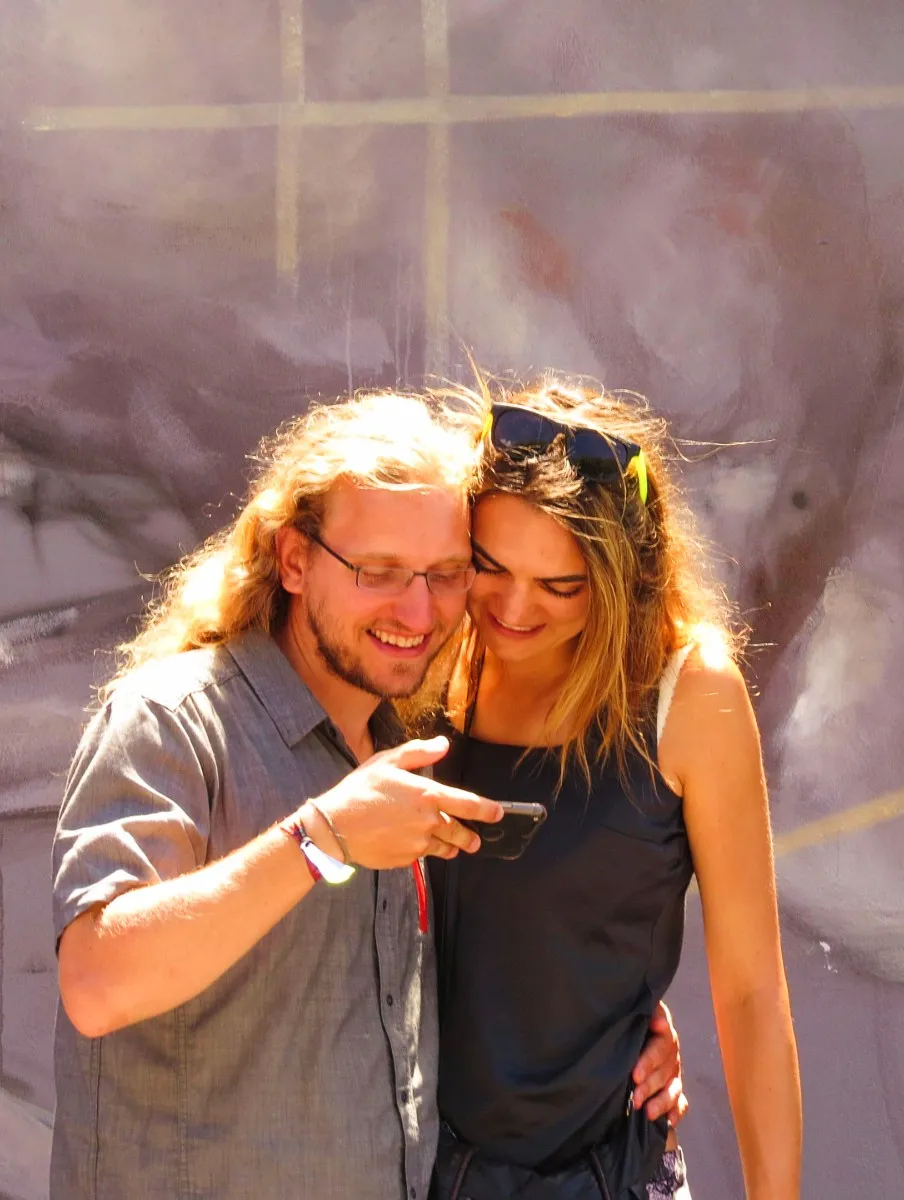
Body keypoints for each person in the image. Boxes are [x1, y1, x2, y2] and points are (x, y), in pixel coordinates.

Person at [50, 390, 685, 1200]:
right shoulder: (175, 719)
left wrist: (624, 1039)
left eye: (448, 575)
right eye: (378, 573)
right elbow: (98, 984)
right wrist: (319, 840)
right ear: (294, 560)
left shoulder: (409, 751)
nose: (416, 611)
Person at [425, 380, 803, 1200]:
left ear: (621, 577)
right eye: (490, 566)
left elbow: (750, 991)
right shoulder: (426, 658)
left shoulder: (686, 692)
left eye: (560, 586)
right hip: (413, 1170)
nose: (514, 608)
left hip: (608, 1176)